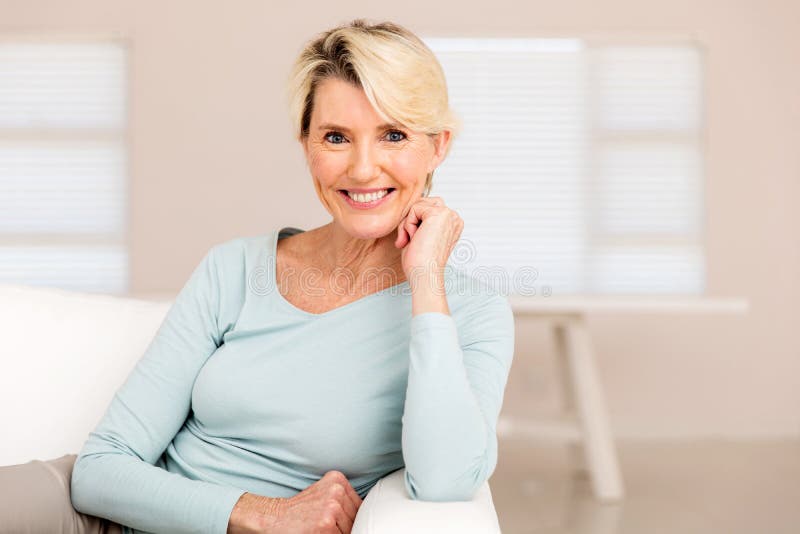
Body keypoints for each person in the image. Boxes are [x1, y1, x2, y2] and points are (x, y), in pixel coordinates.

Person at [0, 19, 515, 534]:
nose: (362, 169)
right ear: (306, 143)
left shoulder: (470, 313)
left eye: (394, 135)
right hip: (98, 516)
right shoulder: (236, 269)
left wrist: (426, 282)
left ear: (439, 145)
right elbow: (100, 469)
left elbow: (445, 479)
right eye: (336, 137)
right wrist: (262, 513)